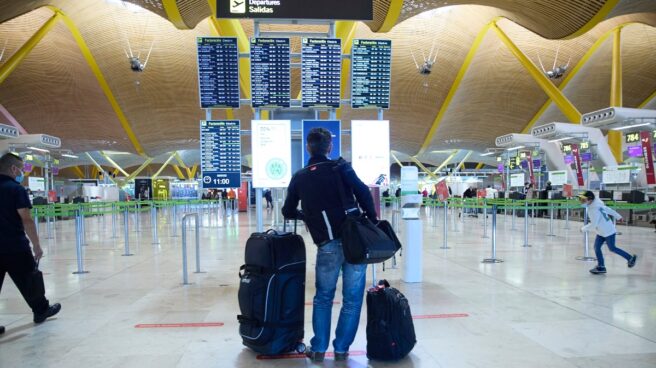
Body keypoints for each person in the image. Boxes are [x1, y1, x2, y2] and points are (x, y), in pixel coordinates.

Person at [282, 128, 378, 362]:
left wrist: (306, 216)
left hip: (326, 243)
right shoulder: (341, 167)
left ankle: (318, 349)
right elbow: (363, 192)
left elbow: (287, 211)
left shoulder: (300, 176)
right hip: (354, 242)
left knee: (323, 296)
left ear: (308, 147)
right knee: (352, 298)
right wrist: (372, 221)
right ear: (329, 148)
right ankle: (342, 349)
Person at [0, 153, 61, 335]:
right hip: (14, 246)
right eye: (21, 169)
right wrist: (36, 245)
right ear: (13, 169)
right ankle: (41, 310)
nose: (22, 172)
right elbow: (26, 219)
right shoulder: (15, 189)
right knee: (29, 278)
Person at [578, 191, 637, 274]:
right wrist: (618, 217)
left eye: (584, 200)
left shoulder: (593, 209)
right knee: (597, 247)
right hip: (601, 231)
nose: (582, 201)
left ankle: (630, 258)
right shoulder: (597, 205)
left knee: (612, 248)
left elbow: (594, 224)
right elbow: (609, 210)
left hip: (608, 231)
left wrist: (583, 229)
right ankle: (601, 267)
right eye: (581, 199)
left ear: (590, 200)